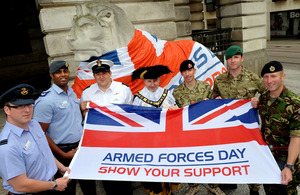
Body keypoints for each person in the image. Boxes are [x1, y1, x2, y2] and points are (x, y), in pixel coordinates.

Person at [210, 46, 267, 195]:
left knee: (251, 157)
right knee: (227, 155)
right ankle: (229, 181)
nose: (232, 60)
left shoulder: (253, 77)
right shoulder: (219, 80)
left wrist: (259, 102)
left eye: (236, 57)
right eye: (229, 58)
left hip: (246, 127)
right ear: (226, 60)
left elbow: (268, 94)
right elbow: (213, 96)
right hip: (227, 127)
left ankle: (254, 188)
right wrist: (216, 99)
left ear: (241, 58)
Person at [33, 61, 96, 195]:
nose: (63, 75)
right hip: (61, 152)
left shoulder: (72, 93)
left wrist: (81, 109)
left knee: (90, 188)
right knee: (67, 190)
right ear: (52, 75)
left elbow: (69, 118)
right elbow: (39, 133)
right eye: (58, 72)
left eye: (65, 71)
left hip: (80, 149)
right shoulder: (46, 100)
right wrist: (62, 154)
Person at [0, 84, 70, 195]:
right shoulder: (7, 146)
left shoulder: (34, 124)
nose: (27, 110)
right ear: (7, 109)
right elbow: (20, 185)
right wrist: (54, 185)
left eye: (29, 104)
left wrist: (60, 167)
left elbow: (44, 151)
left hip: (49, 186)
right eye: (20, 106)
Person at [80, 59, 133, 195]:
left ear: (110, 73)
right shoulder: (87, 93)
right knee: (108, 183)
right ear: (94, 75)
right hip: (101, 146)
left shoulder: (123, 89)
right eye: (98, 74)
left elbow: (132, 115)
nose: (101, 76)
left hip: (122, 144)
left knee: (126, 183)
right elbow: (85, 119)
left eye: (104, 73)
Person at [251, 61, 300, 195]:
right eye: (266, 77)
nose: (269, 80)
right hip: (268, 159)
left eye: (274, 76)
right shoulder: (264, 98)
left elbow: (296, 138)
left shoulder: (294, 103)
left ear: (282, 76)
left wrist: (289, 166)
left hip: (285, 159)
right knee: (270, 191)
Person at [132, 65, 179, 195]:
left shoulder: (166, 93)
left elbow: (175, 114)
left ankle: (168, 191)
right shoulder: (138, 98)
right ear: (144, 81)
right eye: (149, 81)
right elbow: (135, 121)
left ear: (159, 80)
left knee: (167, 166)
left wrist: (175, 109)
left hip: (166, 140)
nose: (153, 84)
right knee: (152, 169)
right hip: (148, 142)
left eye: (155, 80)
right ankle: (156, 192)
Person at [173, 60, 211, 195]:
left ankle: (213, 184)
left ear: (194, 70)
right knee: (191, 158)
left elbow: (214, 108)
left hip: (205, 130)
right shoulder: (176, 92)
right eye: (185, 71)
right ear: (181, 73)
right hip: (188, 131)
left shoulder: (206, 87)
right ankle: (193, 185)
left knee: (210, 157)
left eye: (190, 70)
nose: (188, 74)